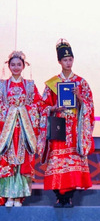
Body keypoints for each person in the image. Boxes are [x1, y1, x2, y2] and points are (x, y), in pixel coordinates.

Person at [38, 40, 94, 208]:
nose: (68, 63)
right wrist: (53, 108)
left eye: (70, 59)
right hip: (58, 125)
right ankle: (58, 196)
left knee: (73, 160)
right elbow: (42, 106)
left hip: (75, 127)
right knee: (58, 160)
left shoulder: (81, 82)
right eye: (65, 60)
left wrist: (79, 97)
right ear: (59, 61)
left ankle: (69, 196)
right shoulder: (52, 84)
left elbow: (89, 105)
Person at [0, 51, 42, 207]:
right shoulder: (2, 85)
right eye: (13, 65)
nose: (16, 67)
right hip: (7, 130)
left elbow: (37, 104)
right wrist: (12, 110)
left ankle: (19, 196)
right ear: (9, 66)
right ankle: (8, 195)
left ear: (24, 66)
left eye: (19, 64)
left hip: (24, 129)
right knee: (7, 161)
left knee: (22, 162)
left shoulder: (30, 85)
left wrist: (22, 110)